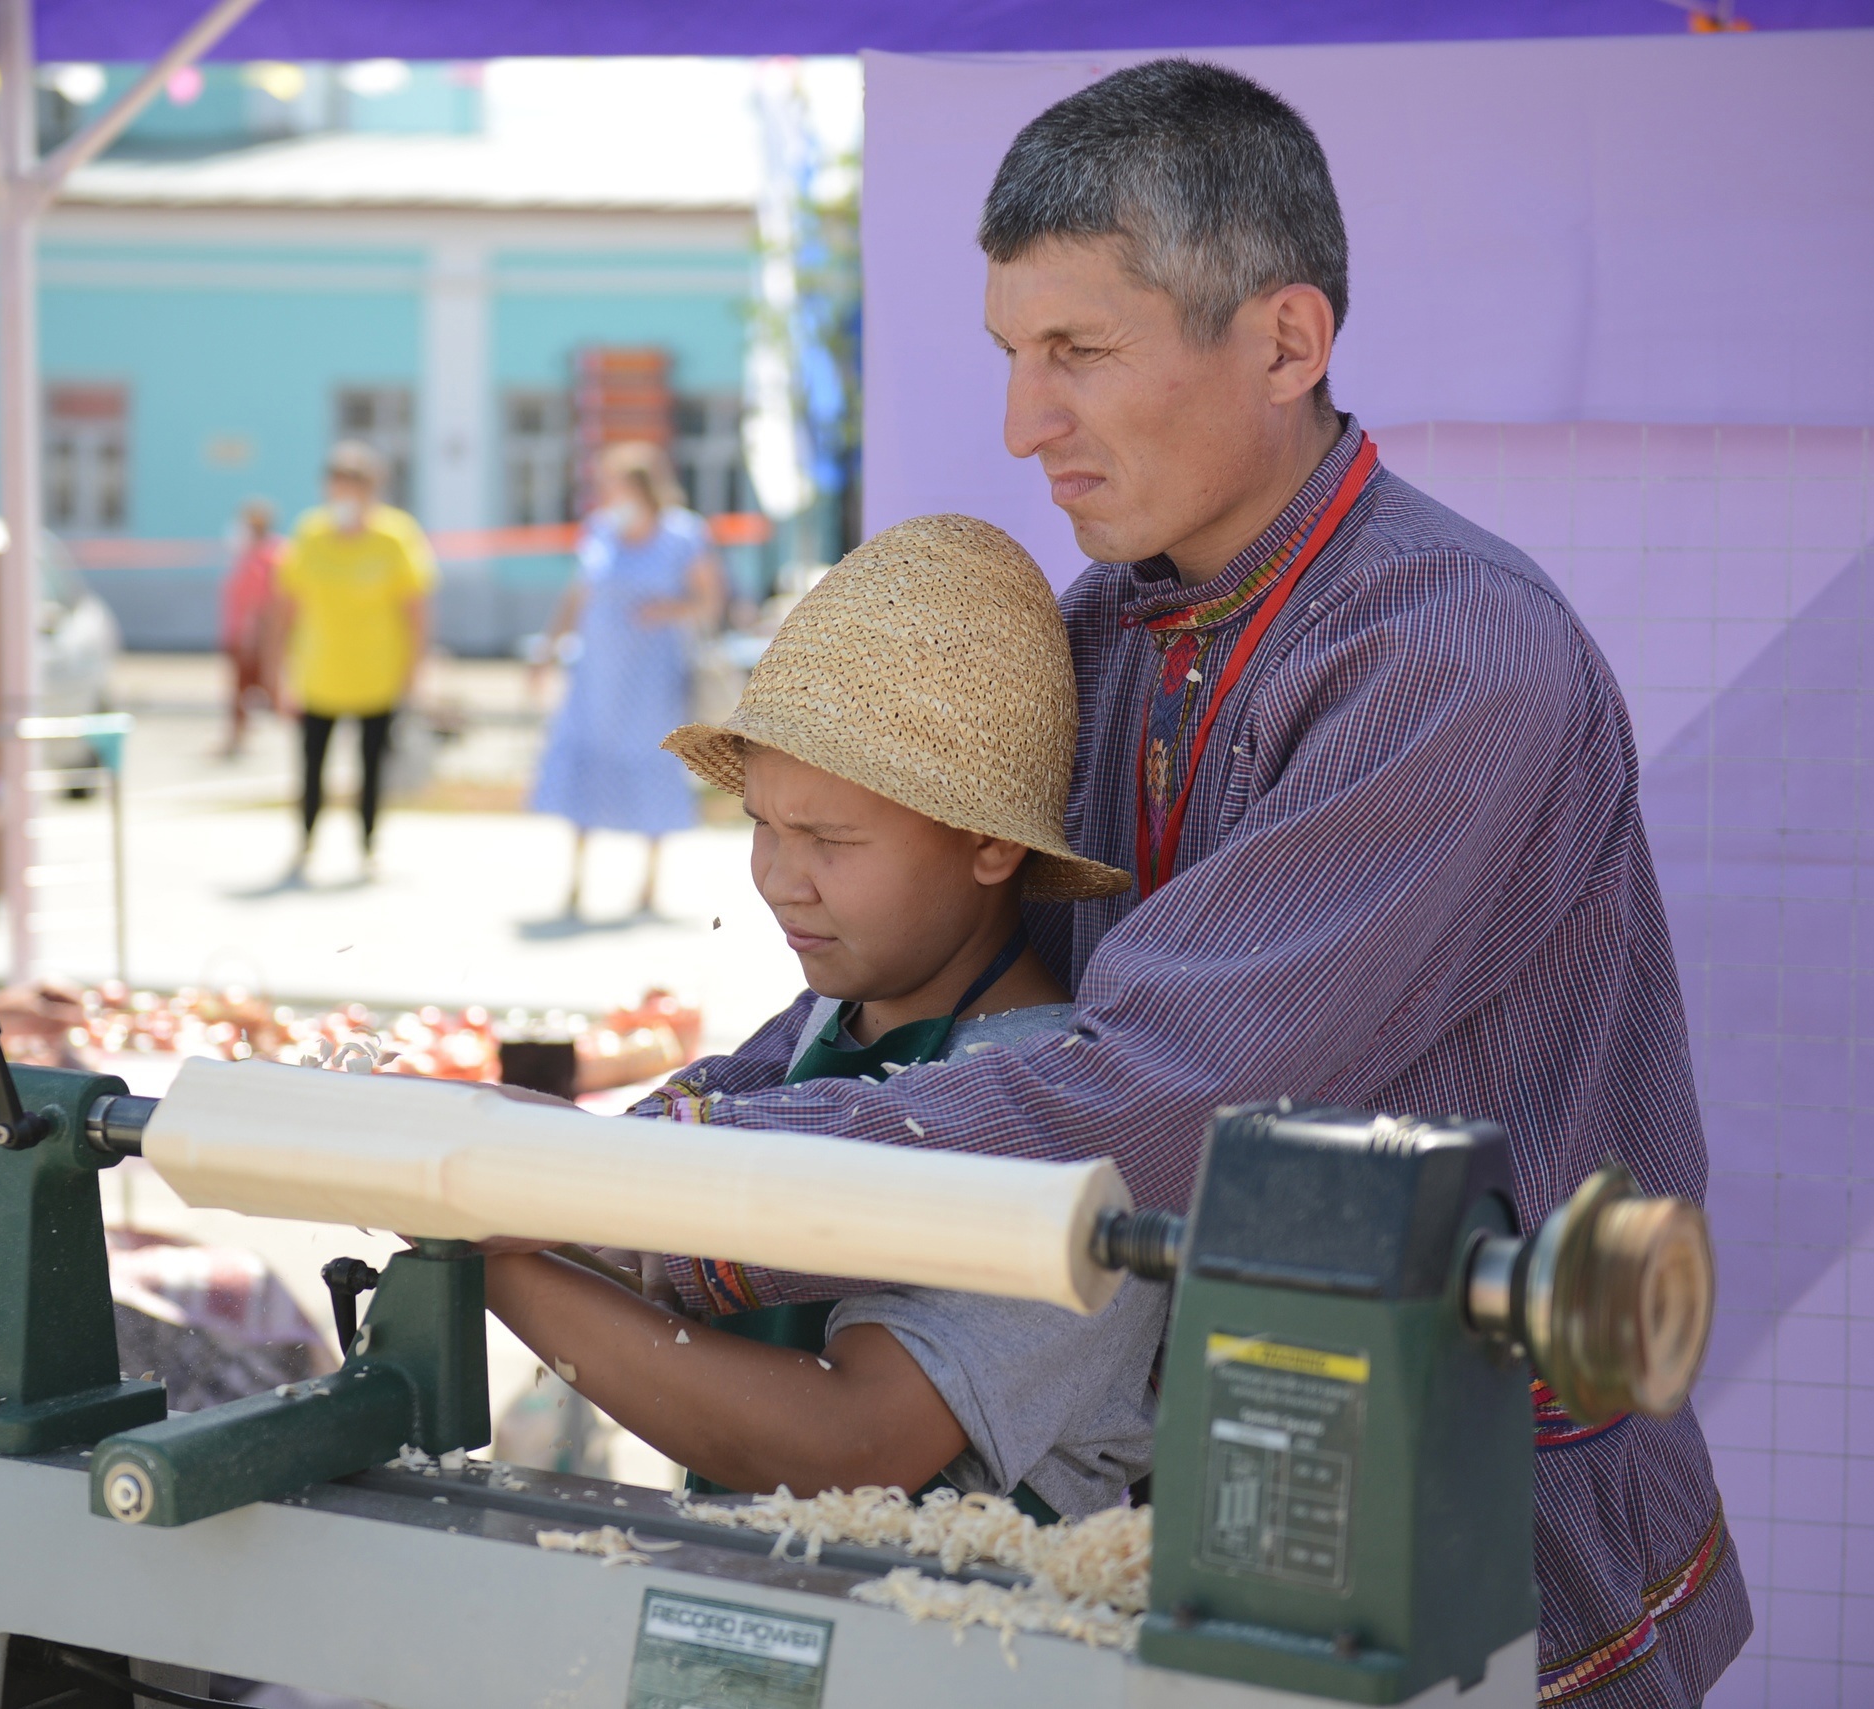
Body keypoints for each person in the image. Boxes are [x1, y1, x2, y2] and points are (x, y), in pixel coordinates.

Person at [624, 60, 1746, 1704]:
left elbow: (1161, 1095)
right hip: (1187, 1514)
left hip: (1495, 1540)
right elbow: (915, 973)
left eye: (1078, 352)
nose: (1024, 422)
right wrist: (682, 1115)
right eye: (1012, 353)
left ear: (1286, 340)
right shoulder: (1093, 630)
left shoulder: (1457, 653)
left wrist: (666, 1191)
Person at [487, 515, 1162, 1516]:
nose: (778, 880)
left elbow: (852, 1438)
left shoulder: (1058, 1124)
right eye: (761, 823)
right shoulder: (817, 1030)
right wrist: (496, 1174)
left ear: (988, 844)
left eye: (829, 840)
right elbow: (642, 1256)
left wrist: (484, 1239)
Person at [527, 441, 727, 917]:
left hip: (652, 674)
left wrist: (669, 610)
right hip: (597, 673)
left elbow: (709, 599)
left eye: (615, 484)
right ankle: (576, 882)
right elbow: (578, 594)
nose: (607, 493)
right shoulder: (600, 530)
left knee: (650, 761)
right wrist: (549, 647)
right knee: (587, 760)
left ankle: (648, 884)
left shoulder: (683, 535)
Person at [274, 442, 436, 883]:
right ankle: (305, 841)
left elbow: (415, 611)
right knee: (311, 765)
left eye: (352, 484)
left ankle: (367, 846)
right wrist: (281, 670)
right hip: (319, 673)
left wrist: (414, 673)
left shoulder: (396, 535)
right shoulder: (310, 533)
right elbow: (287, 607)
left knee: (372, 766)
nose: (343, 494)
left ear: (371, 489)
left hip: (377, 675)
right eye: (336, 484)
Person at [217, 497, 282, 759]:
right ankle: (237, 735)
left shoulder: (271, 556)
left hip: (257, 636)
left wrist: (259, 634)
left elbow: (270, 600)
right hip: (238, 632)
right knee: (241, 690)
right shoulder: (247, 553)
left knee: (265, 686)